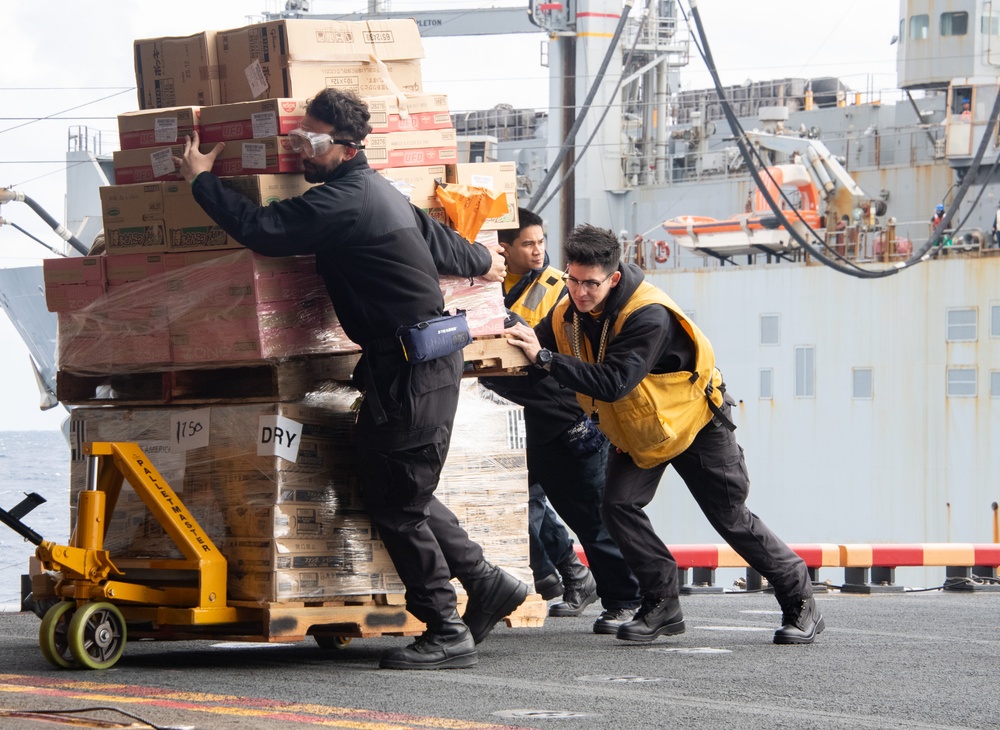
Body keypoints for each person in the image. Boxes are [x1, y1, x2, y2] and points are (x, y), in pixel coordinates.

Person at [175, 88, 529, 670]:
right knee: (396, 482)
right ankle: (486, 583)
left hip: (410, 369)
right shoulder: (377, 192)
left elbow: (263, 229)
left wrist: (200, 181)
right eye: (294, 141)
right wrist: (482, 260)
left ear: (344, 147)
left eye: (308, 143)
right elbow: (437, 240)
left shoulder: (345, 200)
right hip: (410, 365)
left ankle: (445, 627)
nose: (297, 154)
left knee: (397, 504)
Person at [504, 224, 825, 645]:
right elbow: (534, 350)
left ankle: (800, 598)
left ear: (613, 278)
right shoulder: (569, 312)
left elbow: (613, 381)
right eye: (574, 281)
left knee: (729, 517)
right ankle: (662, 604)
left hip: (696, 425)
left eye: (591, 285)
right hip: (643, 430)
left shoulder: (647, 313)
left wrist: (544, 357)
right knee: (618, 506)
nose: (580, 293)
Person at [482, 209, 642, 635]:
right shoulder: (487, 287)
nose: (538, 251)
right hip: (522, 423)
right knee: (527, 508)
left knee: (591, 514)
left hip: (565, 419)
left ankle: (625, 597)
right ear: (503, 249)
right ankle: (570, 577)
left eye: (541, 242)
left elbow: (576, 368)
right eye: (527, 243)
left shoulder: (561, 293)